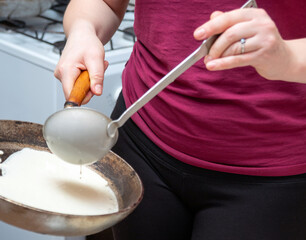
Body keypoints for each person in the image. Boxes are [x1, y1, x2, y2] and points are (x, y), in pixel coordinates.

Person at [54, 0, 306, 239]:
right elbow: (104, 4)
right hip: (139, 145)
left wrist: (288, 57)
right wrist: (83, 29)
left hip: (268, 178)